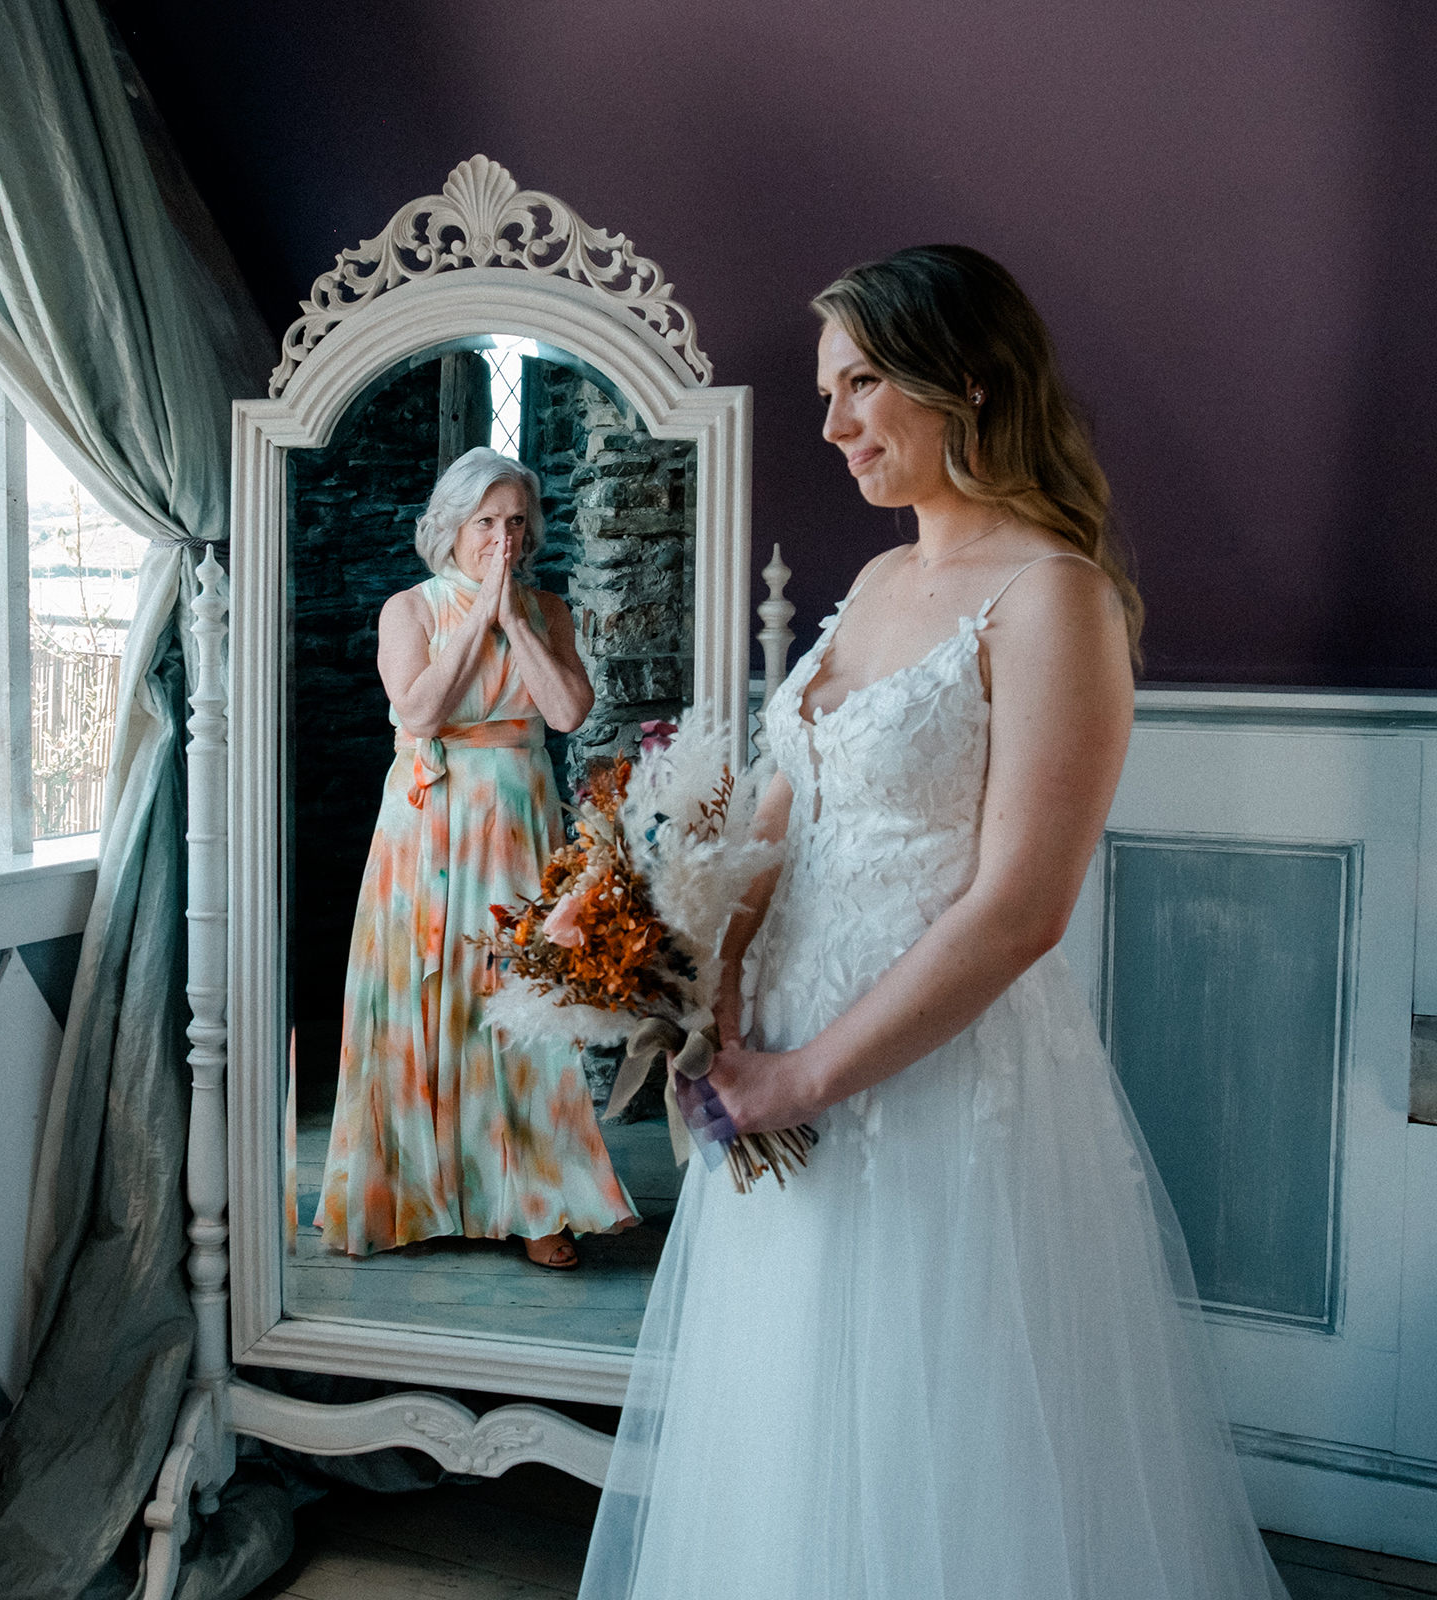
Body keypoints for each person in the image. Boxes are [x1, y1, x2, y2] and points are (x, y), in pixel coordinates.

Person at [578, 246, 1287, 1597]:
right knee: (793, 1430)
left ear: (964, 380)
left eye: (862, 386)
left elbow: (1023, 907)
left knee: (940, 1446)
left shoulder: (1054, 597)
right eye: (829, 390)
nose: (834, 422)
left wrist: (805, 1074)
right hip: (775, 1078)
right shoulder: (873, 584)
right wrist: (701, 983)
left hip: (938, 1098)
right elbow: (790, 808)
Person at [314, 447, 637, 1270]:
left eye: (515, 522)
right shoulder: (409, 611)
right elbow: (418, 712)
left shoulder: (549, 612)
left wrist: (514, 620)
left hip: (519, 818)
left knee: (525, 994)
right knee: (422, 996)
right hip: (429, 823)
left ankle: (534, 1201)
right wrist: (475, 621)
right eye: (486, 522)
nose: (502, 537)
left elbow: (567, 711)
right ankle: (404, 1194)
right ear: (452, 529)